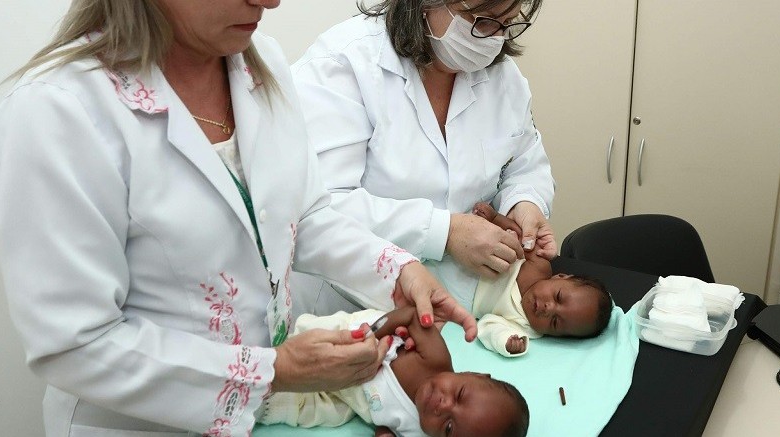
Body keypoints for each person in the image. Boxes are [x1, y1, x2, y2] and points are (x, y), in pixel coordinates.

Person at [0, 1, 478, 435]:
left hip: (264, 415)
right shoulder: (57, 114)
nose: (271, 1)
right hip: (137, 424)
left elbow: (299, 218)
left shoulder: (260, 67)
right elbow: (74, 345)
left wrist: (397, 270)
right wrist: (272, 370)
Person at [289, 0, 555, 314]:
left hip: (460, 312)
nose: (495, 39)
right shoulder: (343, 64)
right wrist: (446, 232)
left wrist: (524, 203)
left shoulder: (503, 77)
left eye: (507, 23)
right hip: (349, 307)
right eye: (481, 21)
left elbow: (524, 160)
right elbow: (319, 207)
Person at [258, 307, 529, 437]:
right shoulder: (435, 359)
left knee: (326, 414)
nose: (442, 405)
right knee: (320, 338)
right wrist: (373, 335)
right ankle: (274, 349)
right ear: (477, 374)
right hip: (360, 341)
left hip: (351, 398)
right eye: (459, 395)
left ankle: (259, 403)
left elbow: (387, 428)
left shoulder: (421, 433)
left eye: (448, 428)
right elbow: (411, 316)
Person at [472, 202, 613, 356]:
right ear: (560, 277)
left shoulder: (527, 327)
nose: (548, 308)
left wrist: (505, 340)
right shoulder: (538, 266)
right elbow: (519, 235)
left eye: (555, 322)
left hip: (454, 294)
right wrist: (495, 218)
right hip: (471, 253)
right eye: (558, 297)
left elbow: (488, 325)